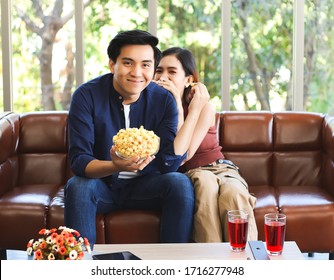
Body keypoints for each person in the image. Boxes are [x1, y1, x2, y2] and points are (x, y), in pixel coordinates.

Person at [64, 30, 196, 246]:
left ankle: (173, 267)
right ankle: (80, 265)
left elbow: (169, 164)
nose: (137, 72)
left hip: (147, 187)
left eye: (145, 65)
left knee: (180, 183)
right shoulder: (86, 96)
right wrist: (116, 166)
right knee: (78, 185)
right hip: (103, 186)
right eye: (127, 63)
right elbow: (79, 162)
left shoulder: (164, 100)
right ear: (112, 64)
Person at [154, 47, 258, 242]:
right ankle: (210, 261)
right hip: (193, 173)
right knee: (206, 185)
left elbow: (188, 150)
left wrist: (180, 102)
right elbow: (183, 156)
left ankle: (247, 260)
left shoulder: (204, 106)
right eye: (159, 70)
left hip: (221, 168)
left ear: (188, 79)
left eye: (172, 72)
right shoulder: (152, 108)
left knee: (233, 193)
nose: (163, 77)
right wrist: (176, 102)